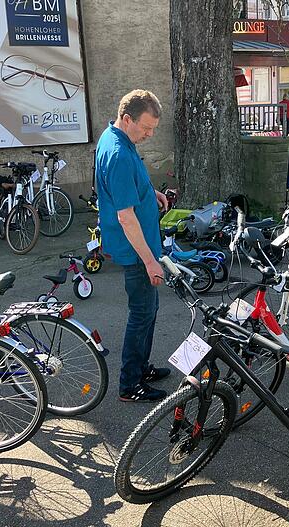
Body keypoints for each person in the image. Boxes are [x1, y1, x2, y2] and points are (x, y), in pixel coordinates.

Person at [96, 89, 171, 402]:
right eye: (145, 128)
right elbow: (126, 217)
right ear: (127, 119)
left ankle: (142, 366)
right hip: (136, 250)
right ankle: (130, 384)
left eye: (153, 129)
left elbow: (125, 186)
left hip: (140, 246)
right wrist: (151, 262)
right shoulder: (119, 154)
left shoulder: (115, 137)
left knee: (149, 309)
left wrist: (148, 191)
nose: (150, 134)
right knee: (141, 313)